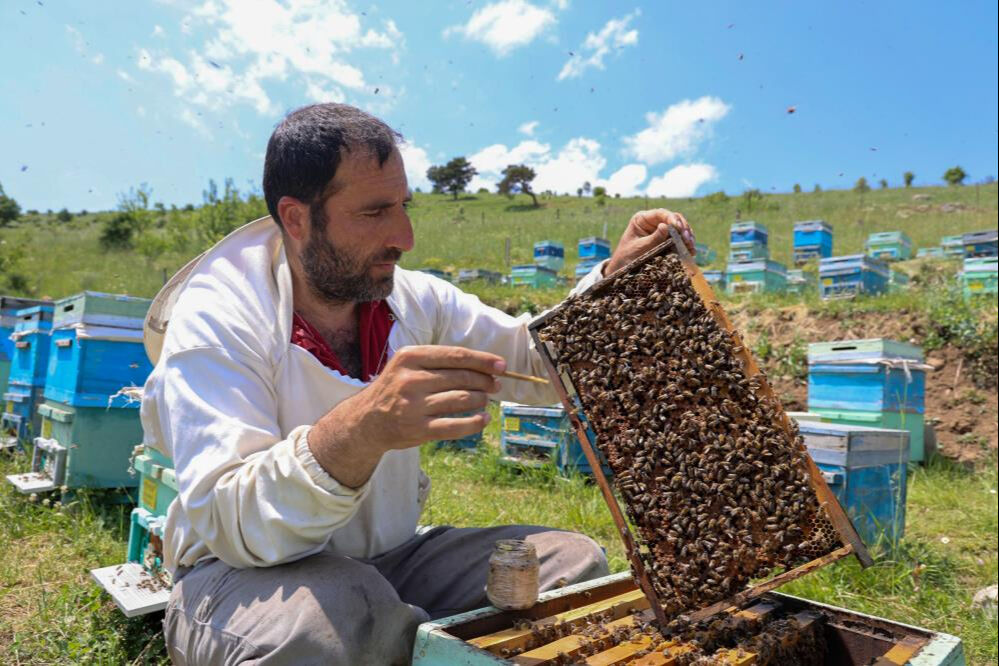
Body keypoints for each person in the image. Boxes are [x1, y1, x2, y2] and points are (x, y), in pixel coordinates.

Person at [140, 102, 695, 665]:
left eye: (403, 206)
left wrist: (610, 285)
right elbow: (233, 525)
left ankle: (400, 636)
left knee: (564, 564)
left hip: (390, 557)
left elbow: (533, 362)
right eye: (375, 211)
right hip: (242, 575)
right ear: (298, 218)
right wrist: (363, 428)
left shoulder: (413, 297)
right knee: (317, 631)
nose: (403, 236)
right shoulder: (217, 318)